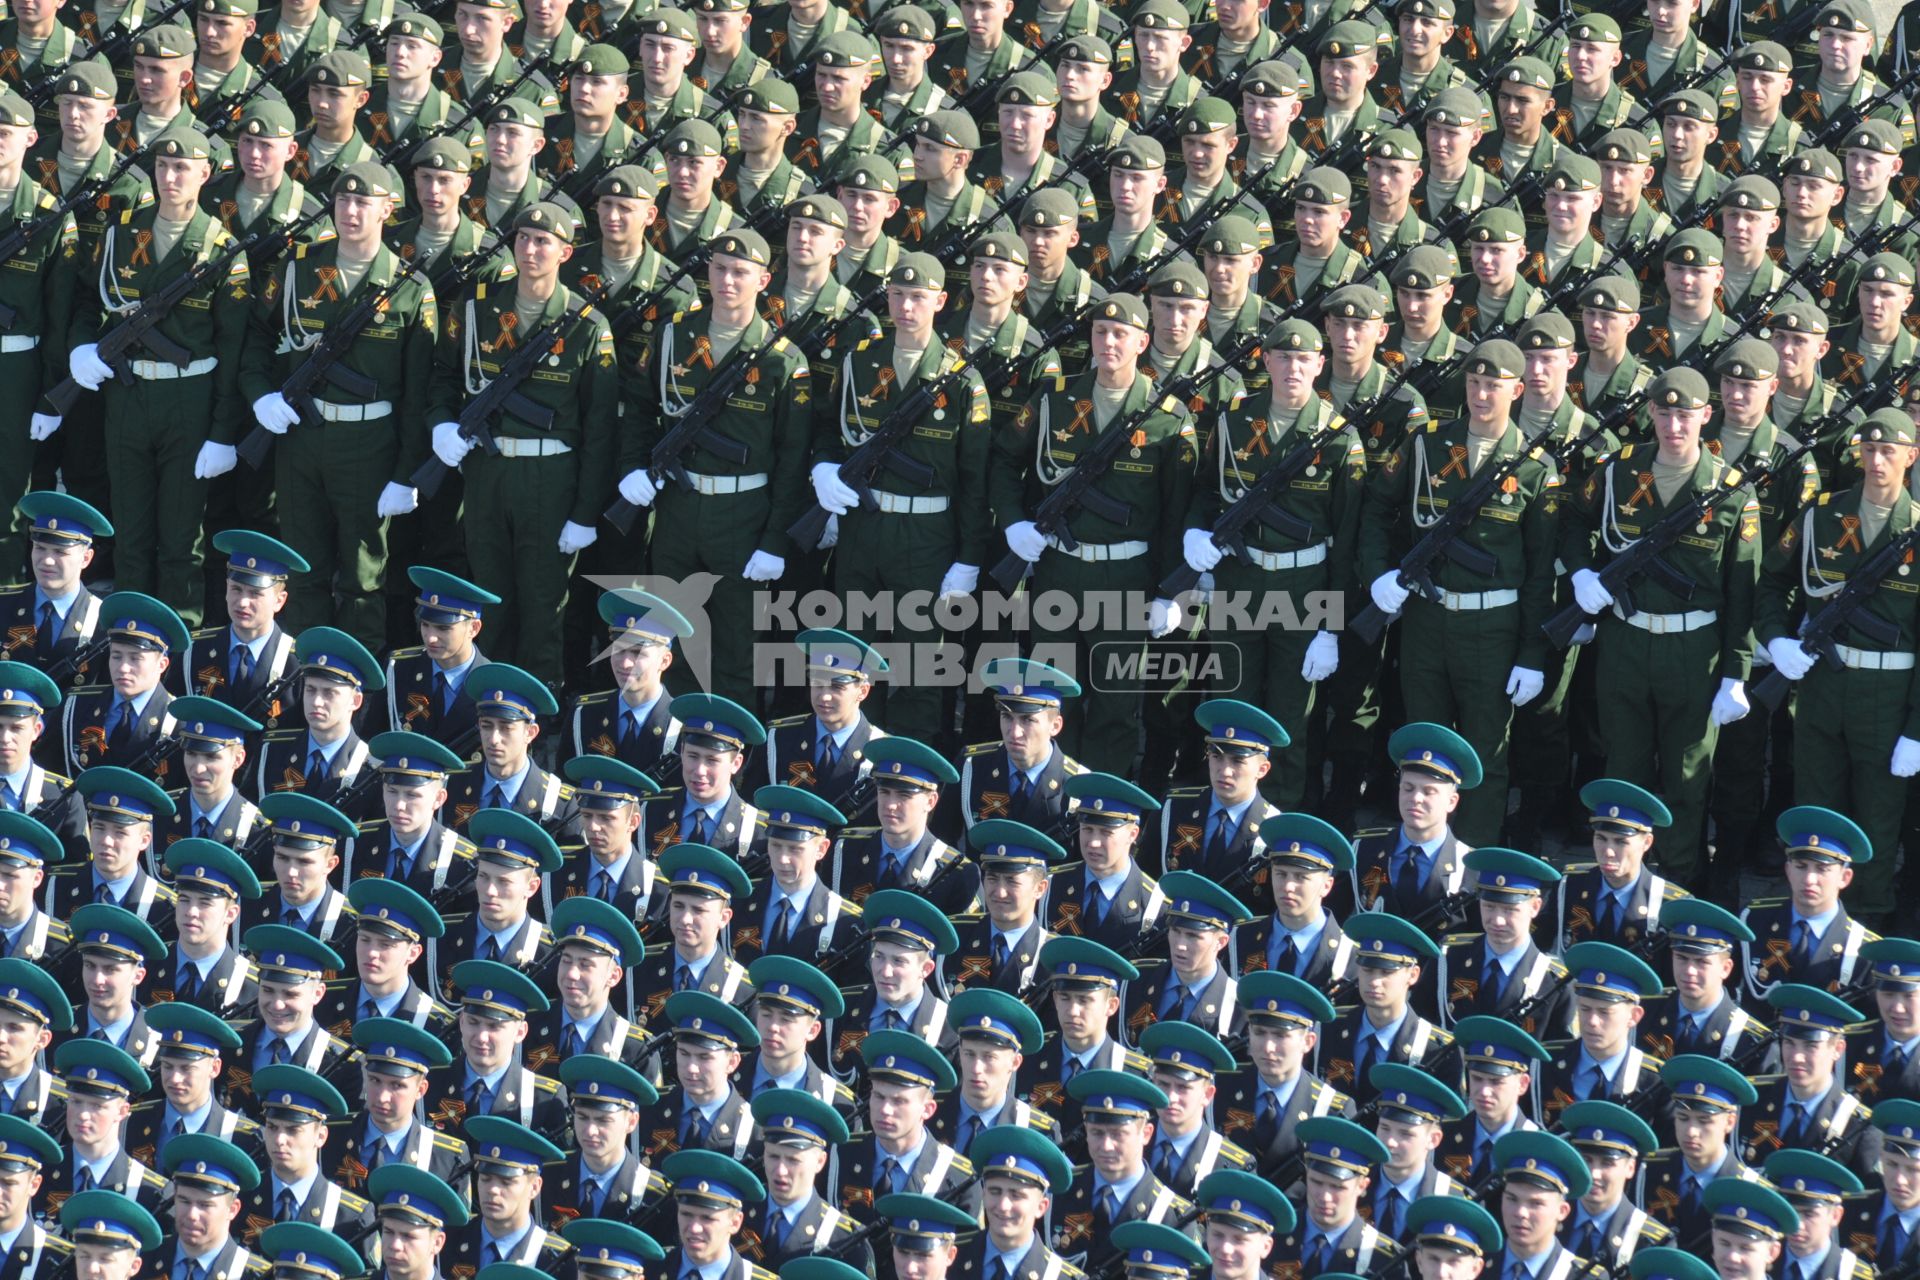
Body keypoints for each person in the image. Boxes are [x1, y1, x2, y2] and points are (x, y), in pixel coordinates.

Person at [1360, 337, 1563, 845]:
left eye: (1493, 386)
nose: (1481, 395)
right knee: (1424, 747)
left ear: (1516, 390)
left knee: (1486, 755)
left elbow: (1541, 572)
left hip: (1492, 627)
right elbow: (1377, 510)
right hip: (1427, 620)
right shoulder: (1427, 444)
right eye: (1474, 383)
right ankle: (1420, 858)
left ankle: (1470, 871)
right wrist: (1379, 574)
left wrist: (1532, 654)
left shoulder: (1534, 467)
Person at [425, 202, 615, 684]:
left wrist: (584, 512)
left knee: (542, 599)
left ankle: (536, 702)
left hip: (549, 478)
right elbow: (444, 376)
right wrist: (441, 424)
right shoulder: (476, 305)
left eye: (543, 241)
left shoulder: (586, 324)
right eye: (524, 239)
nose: (531, 249)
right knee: (488, 593)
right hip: (487, 472)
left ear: (565, 252)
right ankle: (486, 692)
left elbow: (599, 429)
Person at [68, 124, 250, 626]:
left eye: (183, 168)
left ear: (205, 174)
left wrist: (221, 431)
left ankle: (179, 634)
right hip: (128, 393)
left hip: (187, 398)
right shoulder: (123, 231)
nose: (171, 177)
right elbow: (89, 298)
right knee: (129, 527)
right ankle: (126, 634)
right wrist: (82, 347)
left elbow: (233, 351)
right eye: (164, 167)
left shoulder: (221, 247)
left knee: (180, 534)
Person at [1560, 1101, 1670, 1273]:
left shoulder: (1653, 1242)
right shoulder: (1549, 1217)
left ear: (1630, 1168)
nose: (1594, 1173)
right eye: (1587, 1160)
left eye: (1607, 1163)